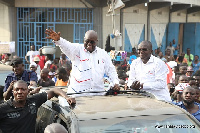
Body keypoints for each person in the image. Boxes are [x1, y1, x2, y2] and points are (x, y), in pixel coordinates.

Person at [45, 29, 120, 96]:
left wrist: (115, 82)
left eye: (92, 42)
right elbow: (67, 46)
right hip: (78, 95)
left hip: (98, 96)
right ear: (84, 40)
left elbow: (111, 70)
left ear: (96, 42)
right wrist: (59, 40)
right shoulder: (77, 50)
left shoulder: (102, 53)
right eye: (87, 41)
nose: (89, 44)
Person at [0, 80, 75, 133]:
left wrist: (67, 97)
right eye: (17, 90)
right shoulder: (3, 108)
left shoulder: (33, 101)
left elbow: (53, 91)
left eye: (23, 89)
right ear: (13, 92)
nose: (20, 92)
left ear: (28, 91)